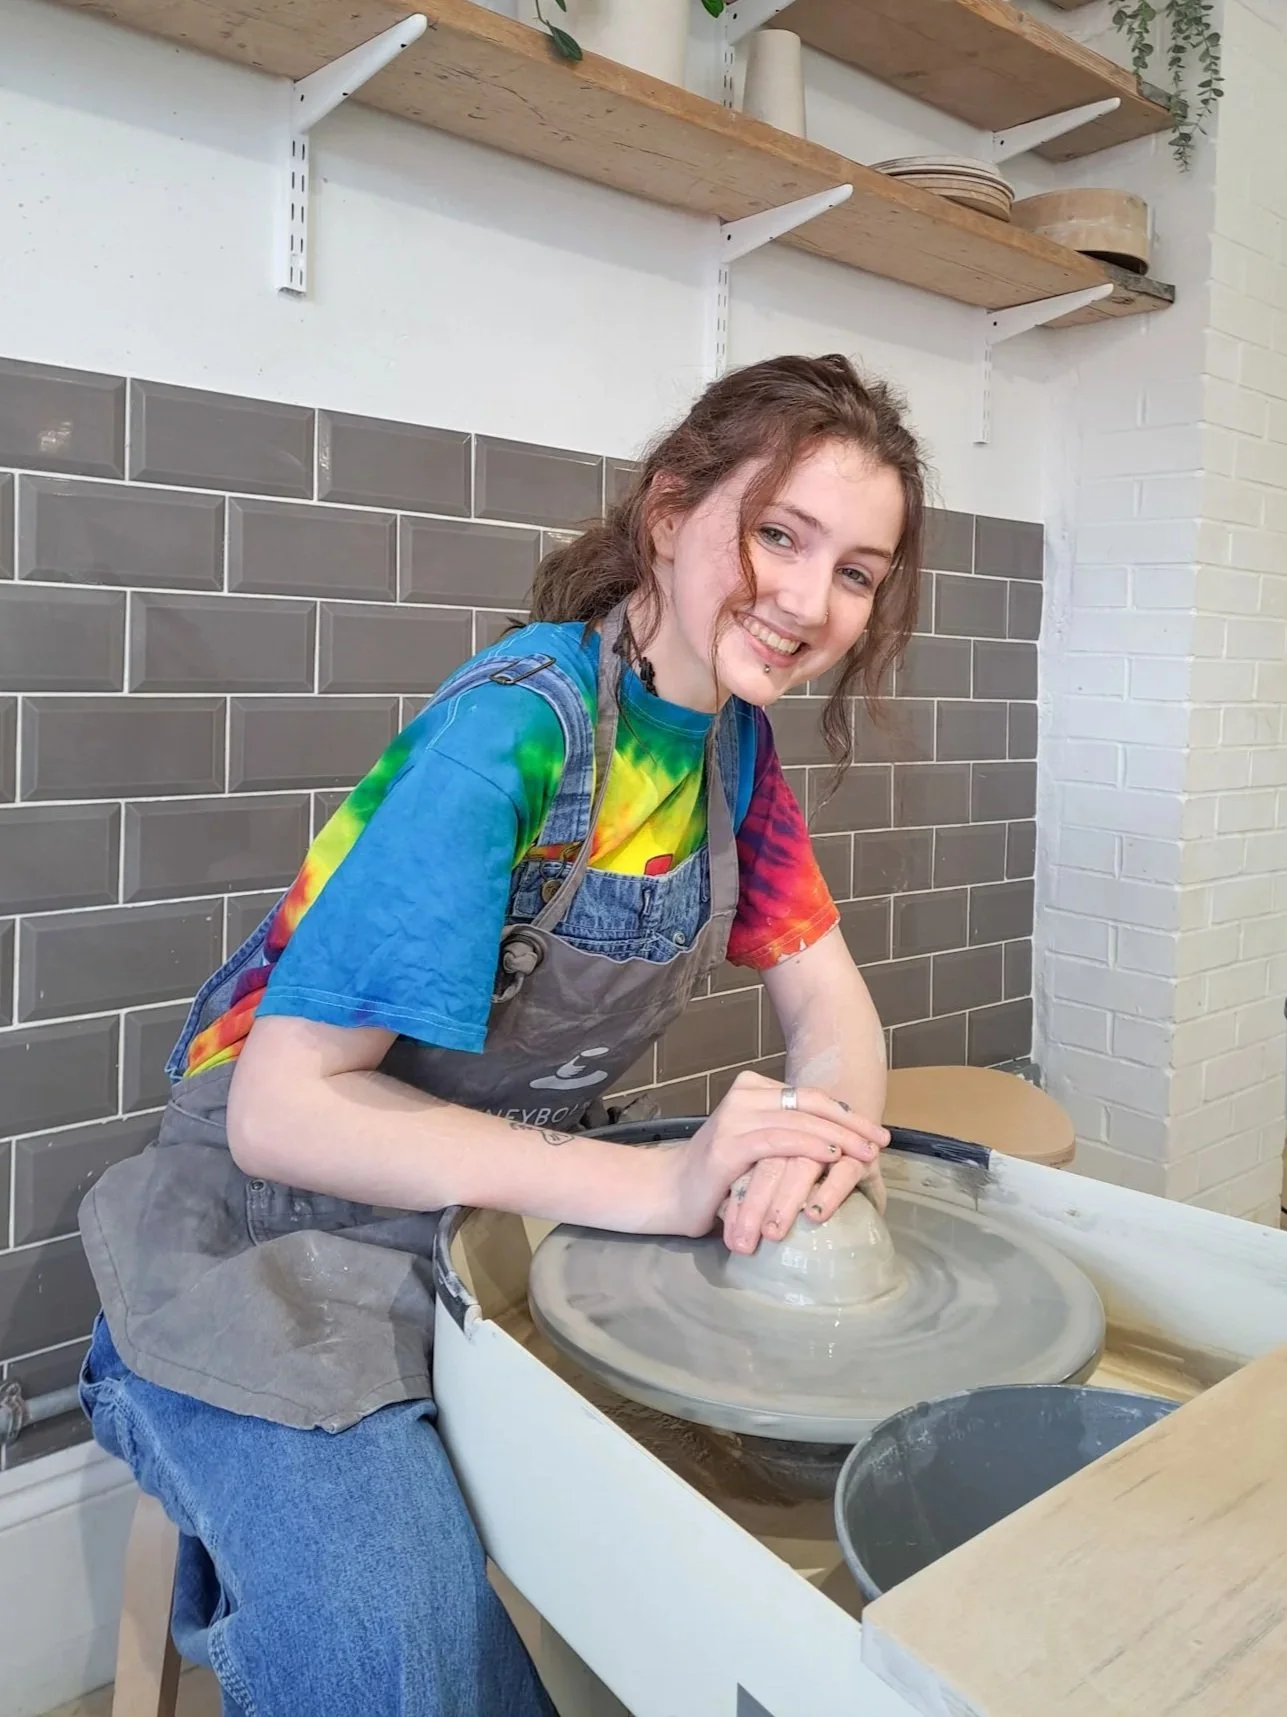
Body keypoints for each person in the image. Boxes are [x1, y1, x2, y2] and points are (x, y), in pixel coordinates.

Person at [78, 352, 926, 1715]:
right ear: (668, 514)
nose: (809, 601)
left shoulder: (731, 750)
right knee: (392, 1645)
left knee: (704, 1561)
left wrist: (812, 1147)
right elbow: (284, 1110)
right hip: (267, 1242)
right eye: (780, 535)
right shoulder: (515, 730)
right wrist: (664, 1182)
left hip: (480, 1233)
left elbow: (827, 1002)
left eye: (856, 572)